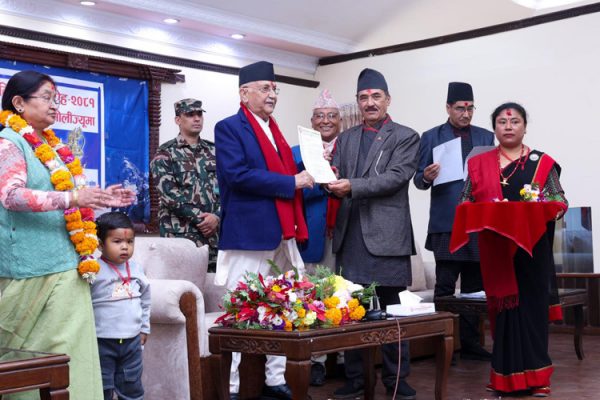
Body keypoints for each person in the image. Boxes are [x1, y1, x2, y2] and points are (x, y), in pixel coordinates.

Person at [0, 70, 135, 399]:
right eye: (47, 98)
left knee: (72, 353)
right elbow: (11, 197)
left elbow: (72, 203)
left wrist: (102, 198)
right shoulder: (9, 142)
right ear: (19, 103)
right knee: (27, 356)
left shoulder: (55, 147)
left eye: (57, 99)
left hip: (68, 264)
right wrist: (73, 198)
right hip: (28, 267)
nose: (55, 106)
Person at [214, 61, 314, 400]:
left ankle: (275, 380)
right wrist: (291, 181)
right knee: (238, 309)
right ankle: (229, 387)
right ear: (244, 93)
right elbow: (237, 175)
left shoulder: (275, 130)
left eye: (275, 89)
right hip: (249, 233)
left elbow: (283, 171)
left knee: (282, 305)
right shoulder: (229, 127)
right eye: (265, 88)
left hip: (283, 232)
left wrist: (312, 167)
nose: (272, 95)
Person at [460, 102, 568, 397]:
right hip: (496, 250)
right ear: (494, 128)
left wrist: (548, 209)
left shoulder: (541, 162)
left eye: (515, 121)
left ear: (524, 127)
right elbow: (466, 201)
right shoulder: (479, 164)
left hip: (532, 250)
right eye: (502, 122)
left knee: (532, 313)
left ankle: (538, 378)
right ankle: (504, 379)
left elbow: (559, 199)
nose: (508, 126)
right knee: (504, 314)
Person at [328, 68, 419, 400]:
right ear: (358, 102)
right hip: (351, 235)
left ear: (387, 100)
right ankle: (355, 380)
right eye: (364, 97)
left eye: (376, 96)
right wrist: (326, 176)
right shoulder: (346, 138)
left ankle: (397, 380)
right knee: (353, 311)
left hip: (388, 236)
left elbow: (395, 177)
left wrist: (351, 185)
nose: (370, 103)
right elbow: (335, 176)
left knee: (393, 312)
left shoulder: (406, 136)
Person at [413, 82, 494, 360]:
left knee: (474, 289)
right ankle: (441, 343)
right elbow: (418, 180)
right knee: (446, 286)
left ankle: (470, 345)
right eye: (460, 108)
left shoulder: (485, 136)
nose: (466, 114)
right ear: (448, 108)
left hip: (477, 222)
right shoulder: (431, 136)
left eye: (470, 108)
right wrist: (426, 176)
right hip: (446, 224)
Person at [291, 89, 342, 386]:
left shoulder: (349, 147)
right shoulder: (296, 153)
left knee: (344, 293)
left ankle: (345, 357)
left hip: (347, 232)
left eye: (331, 116)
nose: (326, 121)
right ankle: (316, 360)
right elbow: (292, 190)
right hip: (312, 233)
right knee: (313, 296)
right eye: (320, 116)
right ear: (311, 121)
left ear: (339, 121)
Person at [150, 98, 220, 271]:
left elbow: (229, 187)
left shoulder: (215, 151)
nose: (196, 118)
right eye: (190, 115)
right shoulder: (165, 153)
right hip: (181, 235)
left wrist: (217, 216)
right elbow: (169, 195)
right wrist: (202, 219)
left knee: (215, 283)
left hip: (215, 234)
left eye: (199, 114)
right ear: (178, 120)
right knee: (182, 283)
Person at [93, 212, 151, 400]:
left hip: (132, 341)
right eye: (117, 241)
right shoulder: (92, 270)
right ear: (100, 244)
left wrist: (144, 328)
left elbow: (145, 300)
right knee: (101, 386)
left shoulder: (136, 269)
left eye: (130, 241)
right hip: (101, 340)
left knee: (131, 386)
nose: (125, 246)